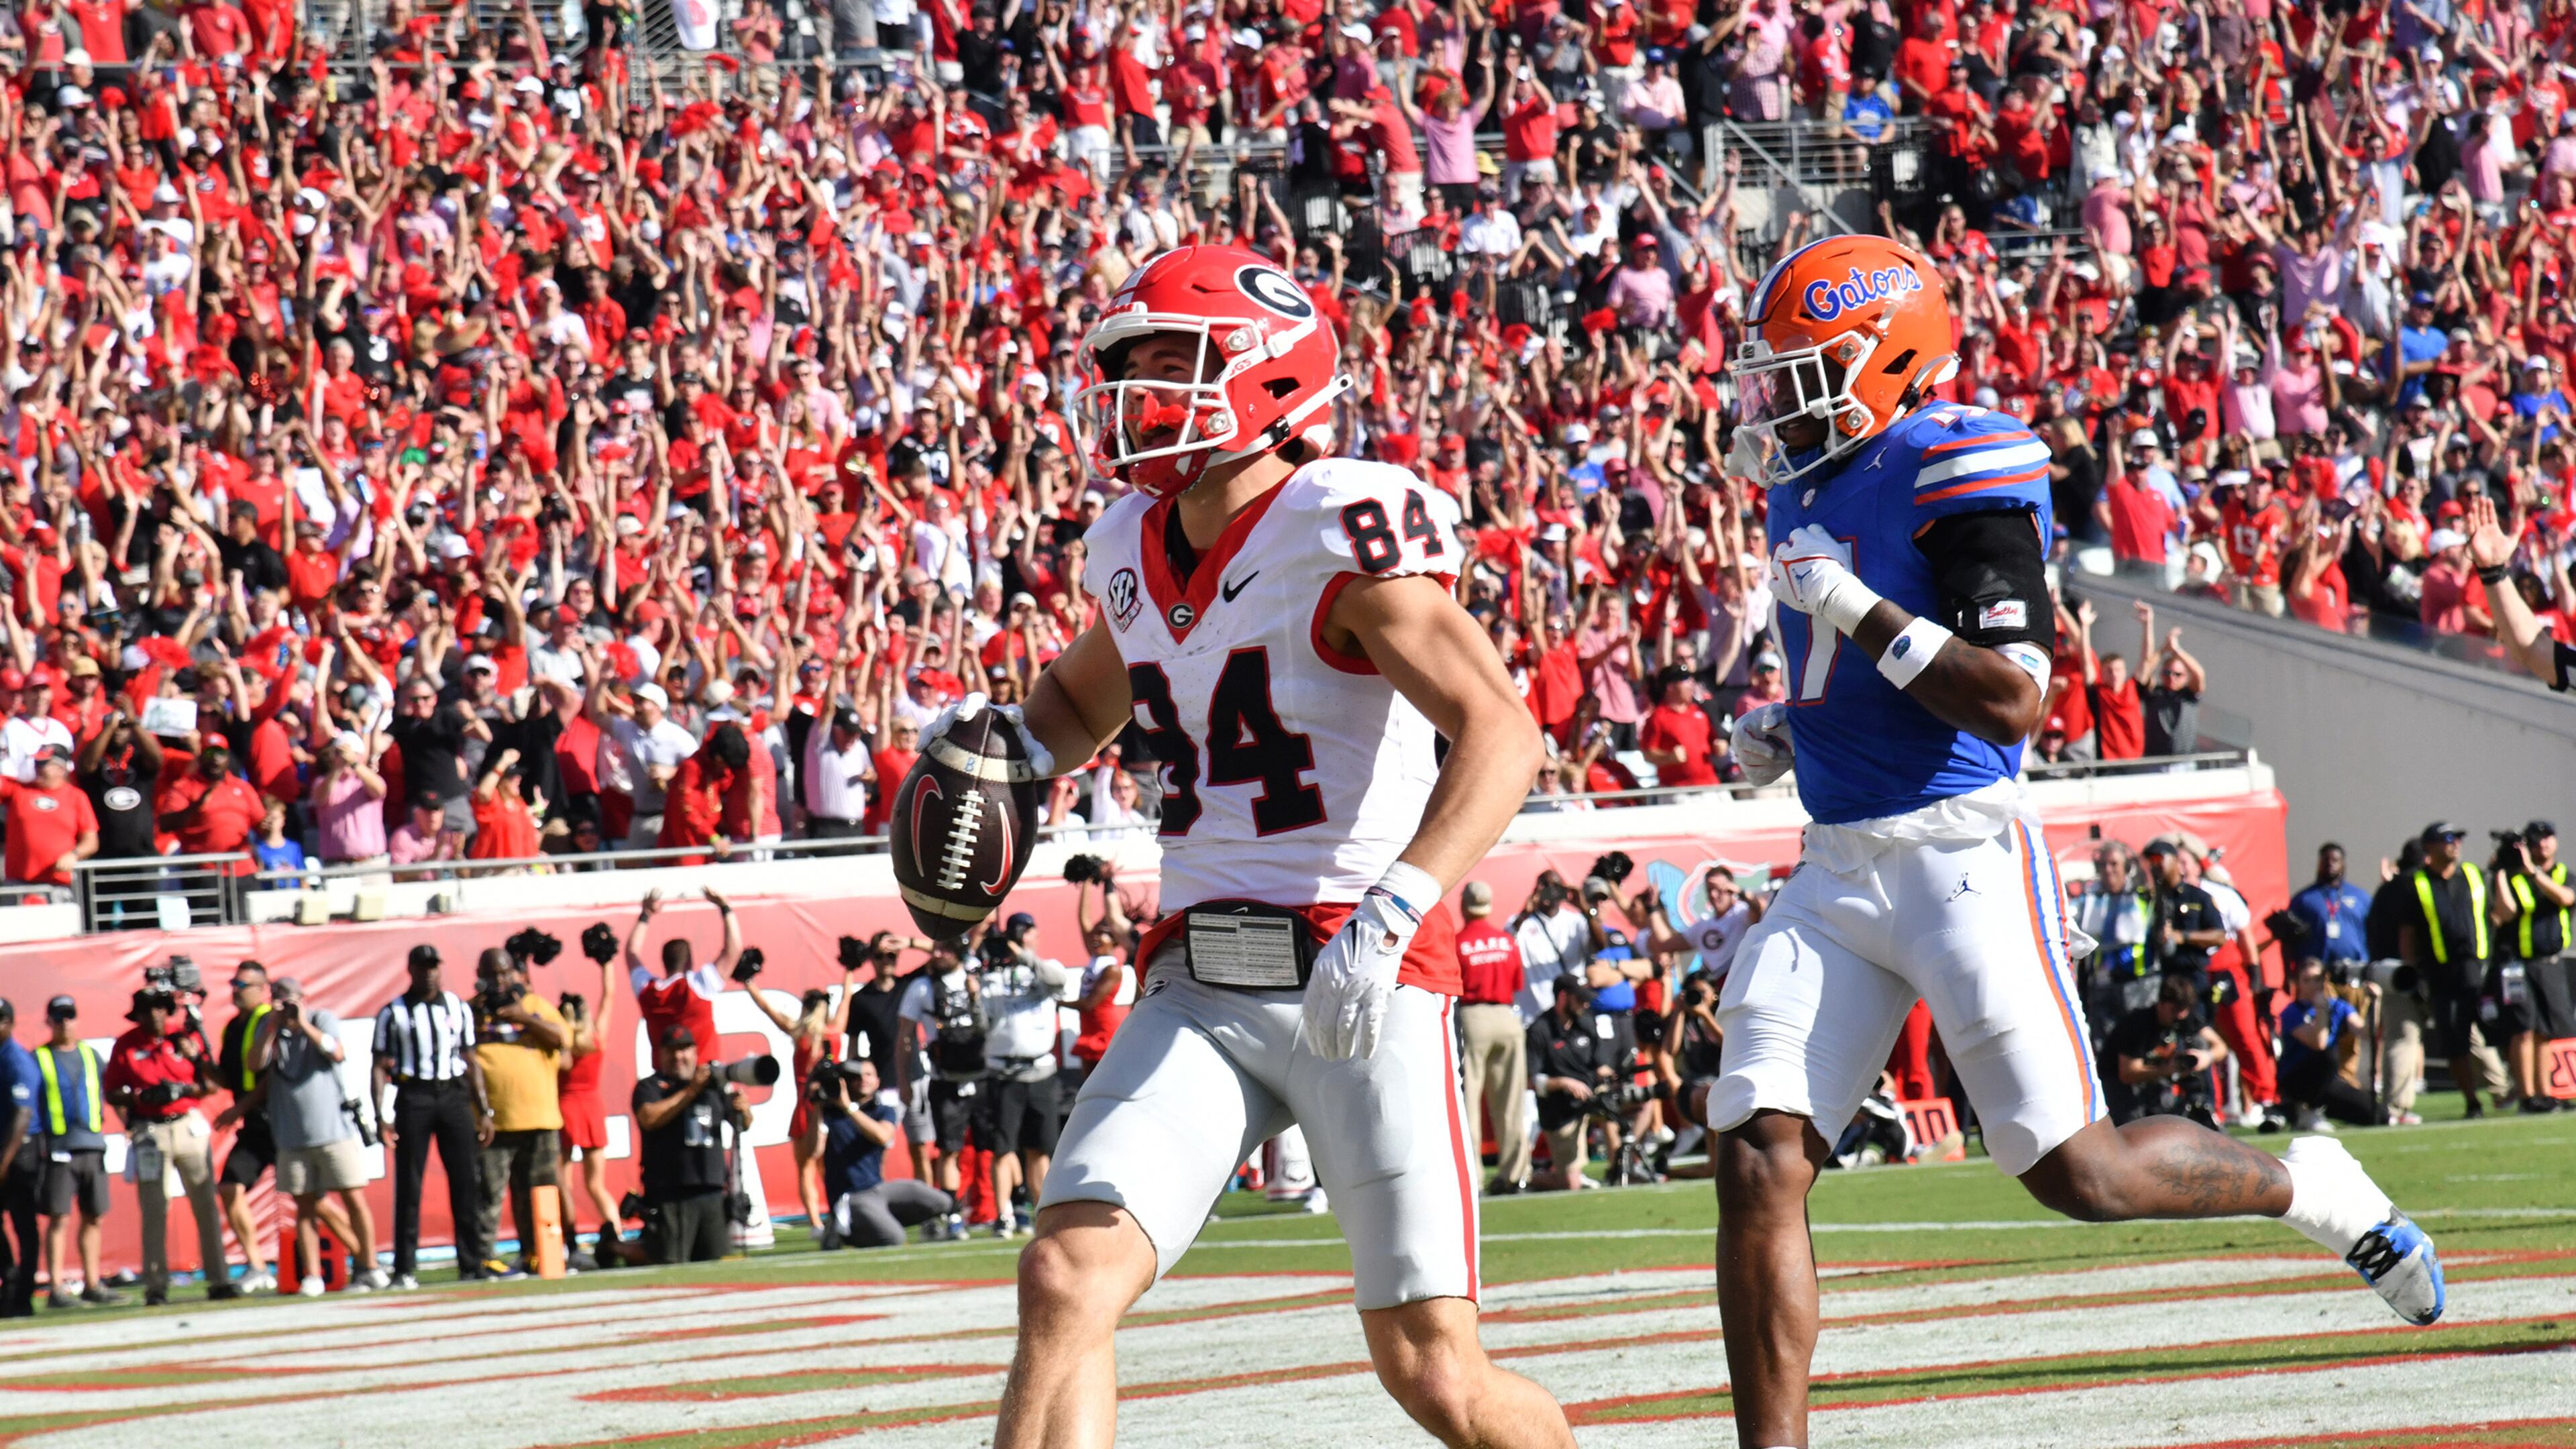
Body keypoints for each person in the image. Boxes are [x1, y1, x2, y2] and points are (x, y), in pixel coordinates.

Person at [1700, 233, 2441, 1448]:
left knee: (2081, 1174)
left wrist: (1855, 609)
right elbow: (1867, 672)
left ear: (1888, 361)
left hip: (1961, 856)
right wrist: (1796, 723)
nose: (1780, 398)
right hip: (1837, 867)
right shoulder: (1806, 481)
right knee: (1758, 1156)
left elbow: (2012, 700)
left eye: (1805, 369)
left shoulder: (1958, 462)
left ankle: (2312, 1185)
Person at [938, 246, 1573, 1448]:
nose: (1140, 395)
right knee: (1064, 1280)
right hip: (1199, 982)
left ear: (1272, 377)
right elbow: (1081, 704)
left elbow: (1502, 730)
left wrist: (1398, 906)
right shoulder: (1129, 540)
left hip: (1364, 977)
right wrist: (1002, 757)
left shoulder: (1338, 520)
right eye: (1131, 368)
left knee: (1437, 1374)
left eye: (1175, 363)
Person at [371, 945, 493, 1288]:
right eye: (423, 967)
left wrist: (483, 1110)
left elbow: (470, 1060)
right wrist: (381, 1116)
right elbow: (379, 1067)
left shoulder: (457, 1006)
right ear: (410, 969)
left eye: (434, 967)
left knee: (466, 1181)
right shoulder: (393, 1012)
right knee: (409, 1184)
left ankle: (472, 1262)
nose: (429, 973)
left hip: (453, 1094)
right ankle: (405, 1268)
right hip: (415, 1096)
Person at [101, 987, 231, 1306]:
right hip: (149, 1129)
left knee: (206, 1205)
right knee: (155, 1210)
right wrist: (138, 1097)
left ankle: (219, 1279)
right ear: (139, 1015)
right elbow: (112, 1091)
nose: (155, 1015)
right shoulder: (127, 1044)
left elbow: (212, 1083)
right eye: (148, 1010)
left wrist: (184, 1088)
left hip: (186, 1122)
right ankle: (156, 1286)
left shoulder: (183, 1038)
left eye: (161, 1008)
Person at [256, 978, 388, 1293]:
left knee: (353, 1198)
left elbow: (337, 1052)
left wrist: (303, 1023)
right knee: (305, 1206)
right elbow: (255, 1063)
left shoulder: (320, 1019)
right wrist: (272, 1028)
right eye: (277, 997)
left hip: (332, 1130)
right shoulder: (269, 1027)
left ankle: (369, 1266)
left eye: (288, 998)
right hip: (291, 1135)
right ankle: (313, 1275)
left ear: (303, 999)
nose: (283, 1003)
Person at [967, 914, 1077, 1239]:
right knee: (1003, 1148)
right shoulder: (992, 976)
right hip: (1003, 1073)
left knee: (1040, 1149)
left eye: (1025, 932)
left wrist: (1023, 955)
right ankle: (1004, 1215)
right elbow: (982, 1023)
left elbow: (1058, 982)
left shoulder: (1044, 967)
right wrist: (975, 995)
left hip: (1040, 1070)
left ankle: (1042, 1211)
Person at [2397, 822, 2511, 1118]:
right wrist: (2412, 973)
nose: (2455, 844)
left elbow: (2501, 912)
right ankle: (2472, 1101)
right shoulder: (2417, 883)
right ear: (2430, 847)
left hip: (2479, 972)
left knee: (2501, 1029)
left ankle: (2518, 1091)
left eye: (2458, 838)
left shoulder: (2474, 875)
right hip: (2441, 973)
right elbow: (2408, 933)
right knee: (2455, 1041)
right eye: (2448, 839)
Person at [745, 955, 861, 1242]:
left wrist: (748, 983)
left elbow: (766, 1009)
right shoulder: (835, 1031)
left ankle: (815, 1223)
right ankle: (837, 1213)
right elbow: (847, 998)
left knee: (807, 1167)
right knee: (830, 1165)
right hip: (835, 1104)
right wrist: (849, 969)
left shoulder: (800, 1033)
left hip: (809, 1107)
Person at [471, 947, 568, 1277]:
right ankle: (483, 1259)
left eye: (504, 972)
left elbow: (561, 1040)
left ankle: (541, 1254)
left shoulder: (536, 1006)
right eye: (490, 974)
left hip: (539, 1117)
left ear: (515, 972)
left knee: (539, 1193)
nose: (498, 980)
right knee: (489, 1194)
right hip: (494, 1121)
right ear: (479, 976)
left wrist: (524, 1019)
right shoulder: (471, 1012)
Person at [631, 1027, 747, 1264]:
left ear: (695, 1052)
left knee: (718, 1263)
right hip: (671, 1193)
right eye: (671, 1051)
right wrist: (691, 1091)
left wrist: (743, 1110)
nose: (678, 1057)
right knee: (671, 1263)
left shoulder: (713, 1086)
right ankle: (614, 1247)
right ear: (661, 1055)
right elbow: (650, 1118)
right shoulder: (651, 1087)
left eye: (684, 1050)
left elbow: (742, 1124)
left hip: (712, 1190)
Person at [815, 1058, 954, 1248]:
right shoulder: (830, 1113)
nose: (863, 1080)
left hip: (879, 1189)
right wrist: (816, 1106)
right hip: (852, 1197)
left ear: (878, 1081)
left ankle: (874, 1221)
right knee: (894, 1239)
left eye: (868, 1075)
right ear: (845, 1081)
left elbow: (882, 1136)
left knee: (943, 1202)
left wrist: (849, 1107)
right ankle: (840, 1230)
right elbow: (814, 1151)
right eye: (856, 1076)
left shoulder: (883, 1111)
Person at [33, 997, 117, 1307]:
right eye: (59, 1018)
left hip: (92, 1144)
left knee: (94, 1216)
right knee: (59, 1217)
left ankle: (92, 1283)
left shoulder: (90, 1055)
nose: (65, 1023)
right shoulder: (39, 1058)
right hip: (58, 1147)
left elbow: (110, 1091)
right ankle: (55, 1287)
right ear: (50, 1022)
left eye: (69, 1017)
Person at [896, 938, 983, 1232]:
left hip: (983, 1074)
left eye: (945, 949)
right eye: (935, 949)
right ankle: (951, 1212)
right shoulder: (921, 988)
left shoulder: (977, 977)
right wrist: (904, 1080)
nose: (937, 954)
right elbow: (904, 1037)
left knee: (996, 1148)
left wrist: (977, 997)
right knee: (949, 1149)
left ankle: (1007, 1210)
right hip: (944, 1078)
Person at [1455, 881, 1532, 1194]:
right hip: (1506, 1016)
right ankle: (1516, 1174)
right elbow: (1517, 982)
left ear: (1464, 905)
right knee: (1511, 1102)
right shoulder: (1506, 940)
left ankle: (1472, 1178)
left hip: (1473, 1017)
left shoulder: (1458, 942)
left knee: (1468, 1102)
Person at [210, 963, 282, 1295]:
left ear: (262, 987)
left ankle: (363, 1258)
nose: (235, 990)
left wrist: (239, 1107)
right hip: (254, 1125)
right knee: (230, 1187)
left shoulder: (270, 1019)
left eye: (242, 984)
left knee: (313, 1199)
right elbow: (226, 1077)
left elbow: (272, 1076)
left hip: (278, 1119)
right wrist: (200, 1061)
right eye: (233, 983)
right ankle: (256, 1266)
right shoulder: (233, 1027)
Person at [557, 939, 623, 1269]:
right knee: (597, 1184)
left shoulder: (562, 1044)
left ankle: (571, 1244)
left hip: (565, 1109)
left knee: (563, 1183)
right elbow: (609, 998)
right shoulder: (596, 1039)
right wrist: (607, 962)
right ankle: (618, 1235)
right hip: (593, 1108)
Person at [1525, 975, 1617, 1192]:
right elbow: (1530, 1081)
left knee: (1613, 1104)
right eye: (1581, 999)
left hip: (1590, 1097)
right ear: (1563, 997)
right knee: (1571, 1184)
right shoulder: (1540, 1030)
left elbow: (1600, 1063)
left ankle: (1617, 1167)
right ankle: (1531, 1179)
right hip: (1560, 1109)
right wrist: (1564, 1083)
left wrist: (1608, 1073)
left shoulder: (1586, 1022)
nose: (1586, 1004)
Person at [2105, 975, 2231, 1127]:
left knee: (2200, 1042)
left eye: (2184, 1010)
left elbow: (2221, 1047)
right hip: (2120, 1087)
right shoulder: (2138, 1025)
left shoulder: (2185, 1017)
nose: (2180, 1015)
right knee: (2133, 1126)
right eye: (2175, 1010)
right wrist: (2168, 1070)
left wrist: (2206, 1057)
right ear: (2161, 1003)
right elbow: (2127, 1073)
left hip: (2155, 1082)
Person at [625, 887, 736, 1055]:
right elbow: (733, 951)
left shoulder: (647, 990)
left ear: (663, 961)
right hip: (703, 1075)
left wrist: (645, 914)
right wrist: (725, 907)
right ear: (690, 961)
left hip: (664, 1077)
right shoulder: (699, 987)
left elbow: (631, 952)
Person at [2276, 962, 2385, 1129]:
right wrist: (2321, 1011)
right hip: (2297, 1078)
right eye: (2307, 980)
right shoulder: (2293, 1011)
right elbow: (2319, 1043)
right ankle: (2305, 1110)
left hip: (2326, 1079)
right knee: (2327, 1055)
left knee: (2377, 1115)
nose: (2313, 985)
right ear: (2298, 983)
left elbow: (2365, 1033)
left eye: (2317, 979)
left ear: (2325, 980)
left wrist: (2375, 1002)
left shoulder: (2339, 1006)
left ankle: (2322, 1109)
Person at [0, 1000, 38, 1316]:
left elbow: (22, 1115)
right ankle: (9, 1284)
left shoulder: (16, 1059)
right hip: (3, 1148)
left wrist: (4, 1161)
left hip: (20, 1150)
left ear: (10, 1023)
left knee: (24, 1225)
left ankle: (23, 1296)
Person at [2286, 844, 2375, 976]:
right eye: (2326, 860)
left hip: (2355, 973)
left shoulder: (2361, 898)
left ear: (2343, 864)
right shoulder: (2304, 899)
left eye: (2335, 860)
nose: (2330, 864)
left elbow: (2374, 932)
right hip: (2317, 975)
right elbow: (2289, 940)